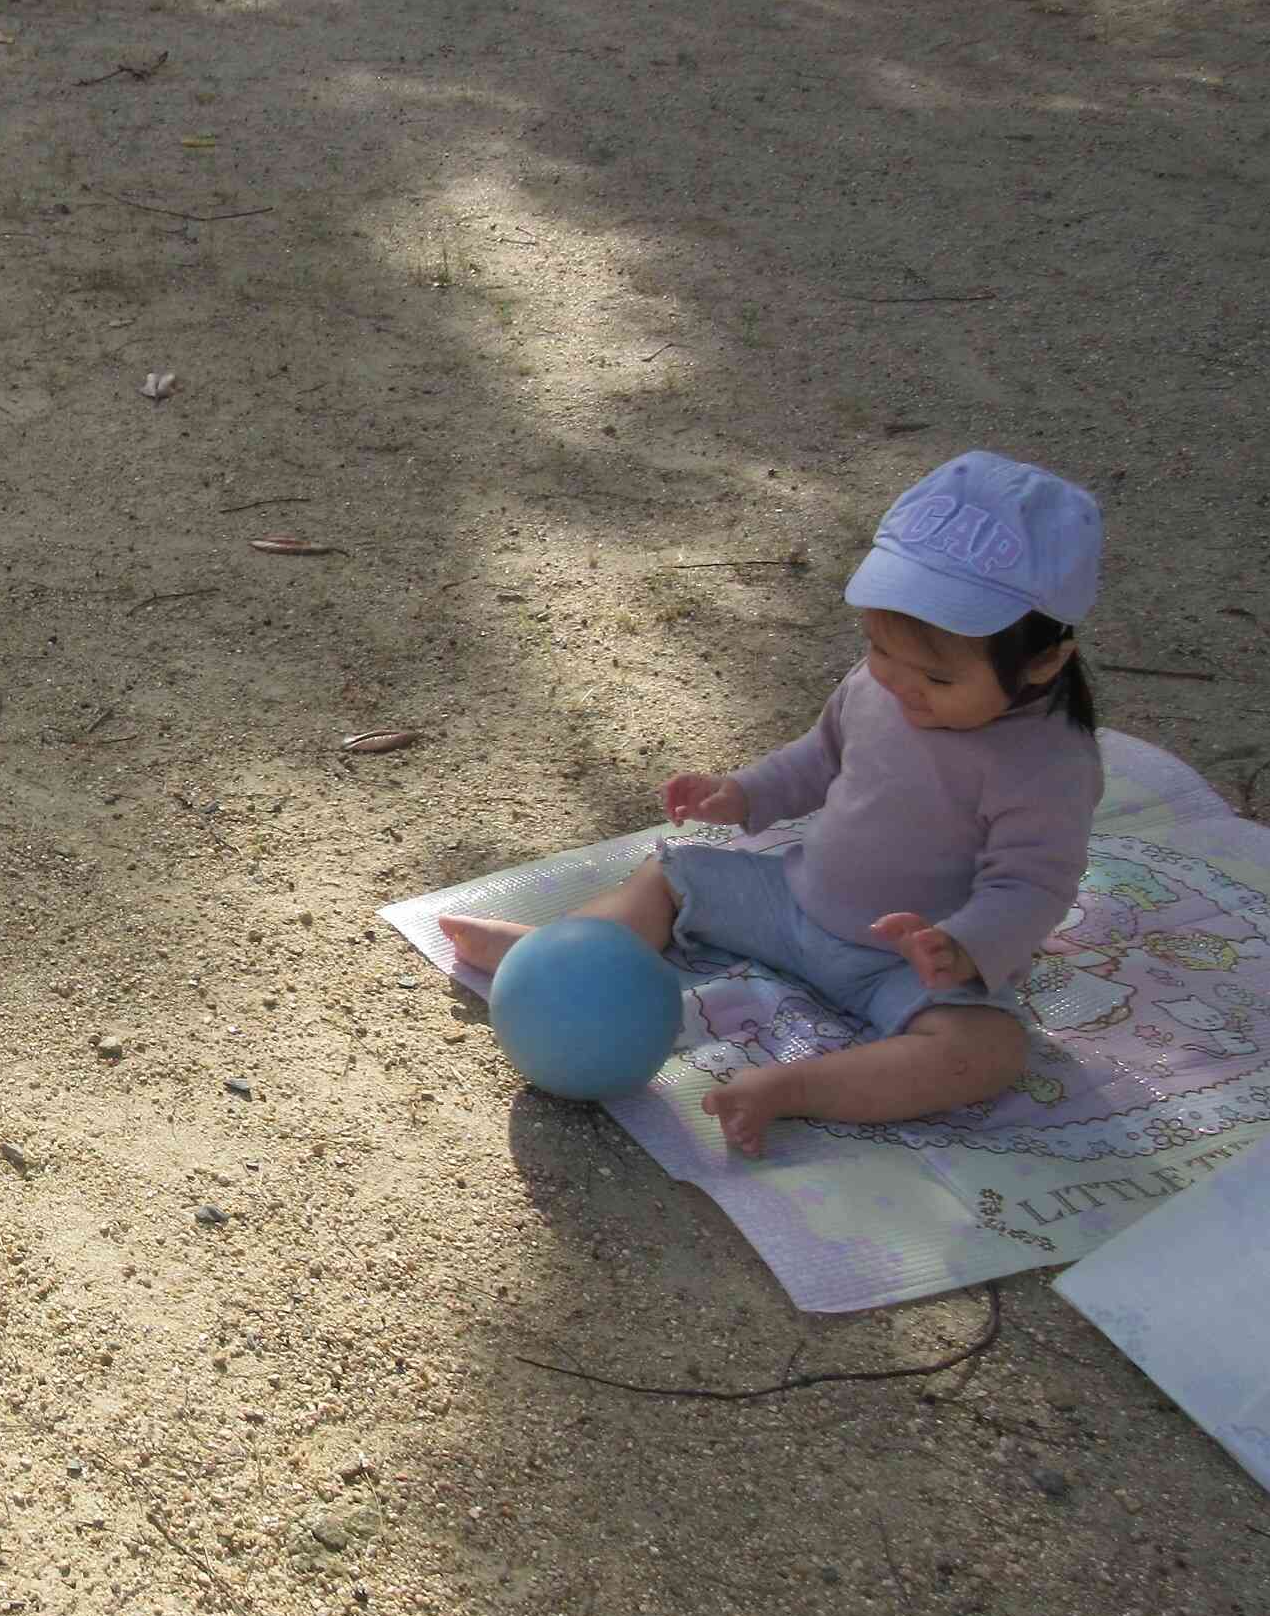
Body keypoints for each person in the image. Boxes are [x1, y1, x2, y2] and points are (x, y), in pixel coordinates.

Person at [442, 450, 1104, 1157]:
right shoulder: (879, 685)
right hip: (793, 901)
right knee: (671, 874)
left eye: (937, 677)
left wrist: (965, 946)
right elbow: (821, 756)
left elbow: (1034, 882)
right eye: (881, 650)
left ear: (1044, 662)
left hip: (901, 963)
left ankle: (793, 1089)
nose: (901, 686)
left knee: (987, 1053)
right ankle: (571, 959)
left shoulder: (1048, 763)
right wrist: (744, 792)